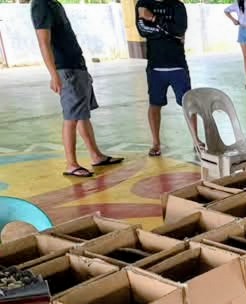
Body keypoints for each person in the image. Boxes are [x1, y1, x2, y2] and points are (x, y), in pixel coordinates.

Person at [31, 0, 123, 177]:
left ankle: (96, 156)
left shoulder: (54, 4)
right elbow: (44, 42)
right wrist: (54, 74)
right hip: (66, 70)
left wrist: (83, 69)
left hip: (76, 67)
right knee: (71, 117)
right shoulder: (41, 5)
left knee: (82, 115)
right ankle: (71, 164)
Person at [135, 0, 191, 157]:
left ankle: (196, 140)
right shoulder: (143, 4)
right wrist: (168, 31)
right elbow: (143, 31)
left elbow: (179, 30)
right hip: (155, 66)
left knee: (188, 103)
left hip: (177, 65)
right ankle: (155, 143)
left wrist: (153, 18)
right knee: (154, 104)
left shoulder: (177, 5)